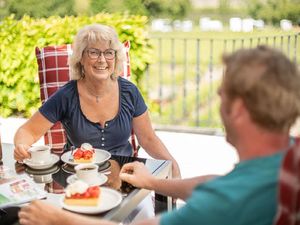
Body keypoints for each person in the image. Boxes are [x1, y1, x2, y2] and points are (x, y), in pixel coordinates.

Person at [18, 45, 300, 225]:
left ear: (237, 110)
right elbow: (219, 182)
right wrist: (152, 182)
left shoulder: (226, 203)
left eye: (221, 96)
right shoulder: (289, 158)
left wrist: (58, 218)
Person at [13, 24, 180, 178]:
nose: (102, 59)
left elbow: (149, 139)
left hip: (125, 176)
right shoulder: (66, 96)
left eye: (109, 52)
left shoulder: (130, 92)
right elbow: (28, 131)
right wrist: (21, 146)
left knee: (142, 210)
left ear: (115, 58)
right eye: (93, 52)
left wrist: (173, 164)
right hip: (79, 178)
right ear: (81, 58)